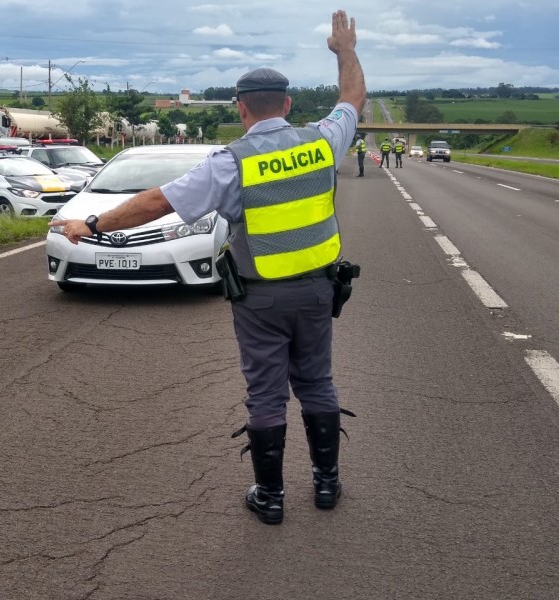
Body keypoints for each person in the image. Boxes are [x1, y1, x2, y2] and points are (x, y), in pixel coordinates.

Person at [54, 9, 365, 525]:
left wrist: (94, 224)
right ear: (287, 105)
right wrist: (345, 52)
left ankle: (270, 498)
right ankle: (327, 484)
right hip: (317, 293)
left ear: (241, 109)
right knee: (317, 383)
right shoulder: (322, 140)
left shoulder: (231, 162)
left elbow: (159, 202)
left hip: (261, 299)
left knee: (266, 392)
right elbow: (351, 100)